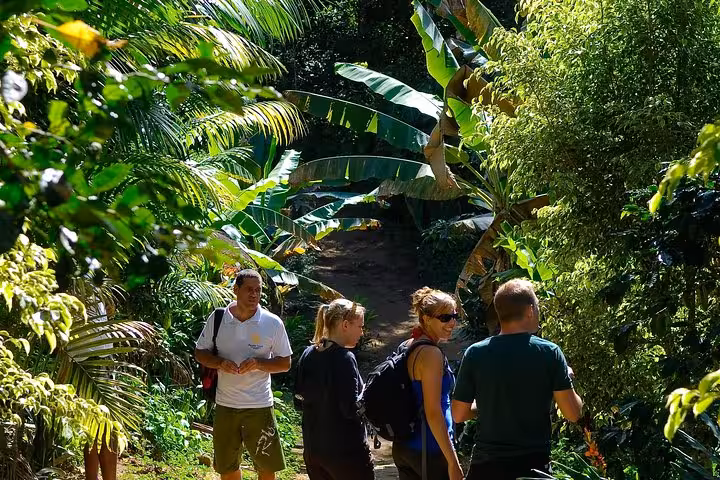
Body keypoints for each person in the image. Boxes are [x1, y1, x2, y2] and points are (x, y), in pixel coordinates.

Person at [451, 278, 584, 480]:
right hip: (532, 467)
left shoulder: (475, 354)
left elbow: (459, 414)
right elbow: (573, 413)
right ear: (530, 310)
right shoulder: (549, 353)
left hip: (486, 466)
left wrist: (491, 403)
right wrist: (567, 378)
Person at [195, 269, 292, 480]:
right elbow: (200, 352)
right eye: (249, 289)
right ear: (235, 289)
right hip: (225, 405)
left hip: (259, 405)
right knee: (227, 466)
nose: (254, 295)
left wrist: (258, 363)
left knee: (266, 465)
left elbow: (285, 363)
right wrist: (220, 362)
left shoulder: (272, 322)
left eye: (258, 290)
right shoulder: (218, 318)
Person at [294, 299, 375, 480]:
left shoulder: (308, 353)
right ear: (345, 325)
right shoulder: (345, 358)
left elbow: (298, 401)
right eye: (360, 326)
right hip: (345, 453)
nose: (362, 332)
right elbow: (350, 408)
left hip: (314, 450)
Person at [392, 287, 464, 480]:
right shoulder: (431, 355)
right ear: (425, 319)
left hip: (405, 446)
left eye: (454, 316)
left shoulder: (407, 345)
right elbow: (433, 412)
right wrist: (452, 461)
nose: (452, 323)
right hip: (429, 449)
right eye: (445, 318)